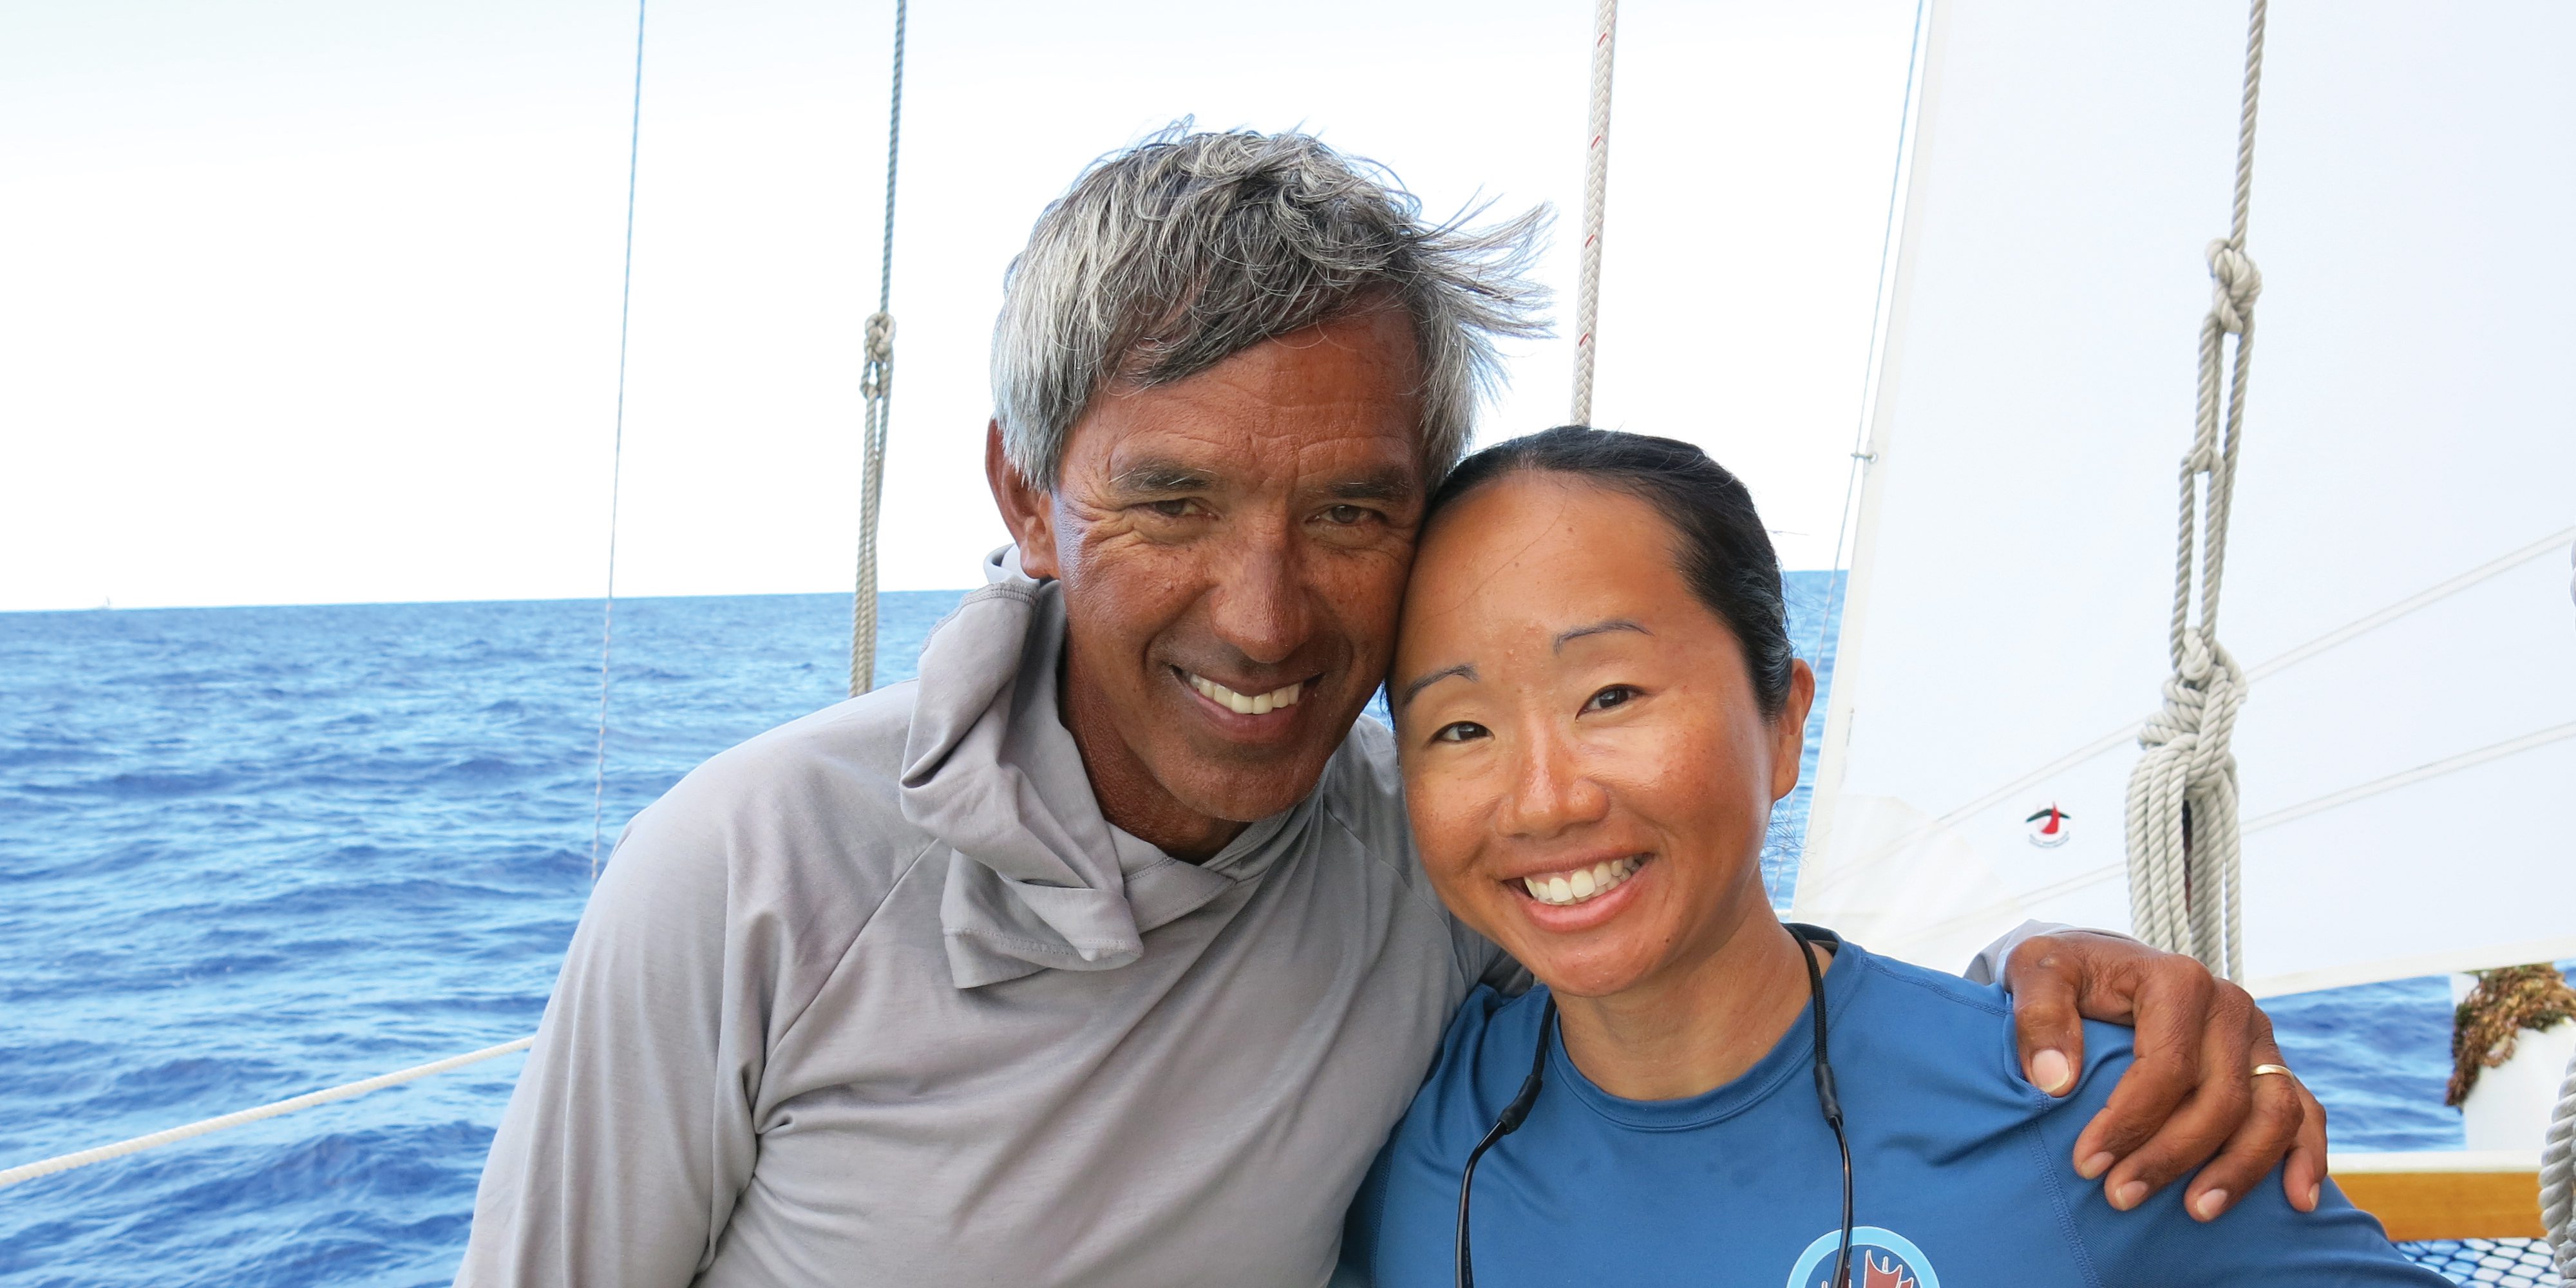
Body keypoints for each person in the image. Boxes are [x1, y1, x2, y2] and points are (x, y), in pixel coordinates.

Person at [457, 129, 2323, 1287]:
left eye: (1350, 513)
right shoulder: (754, 871)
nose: (1264, 616)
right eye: (1171, 502)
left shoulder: (1417, 866)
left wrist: (2049, 975)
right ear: (1029, 496)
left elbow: (1675, 954)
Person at [1343, 427, 2433, 1287]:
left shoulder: (2099, 1111)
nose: (1545, 800)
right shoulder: (1404, 1116)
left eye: (1612, 696)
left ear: (1784, 723)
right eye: (1461, 729)